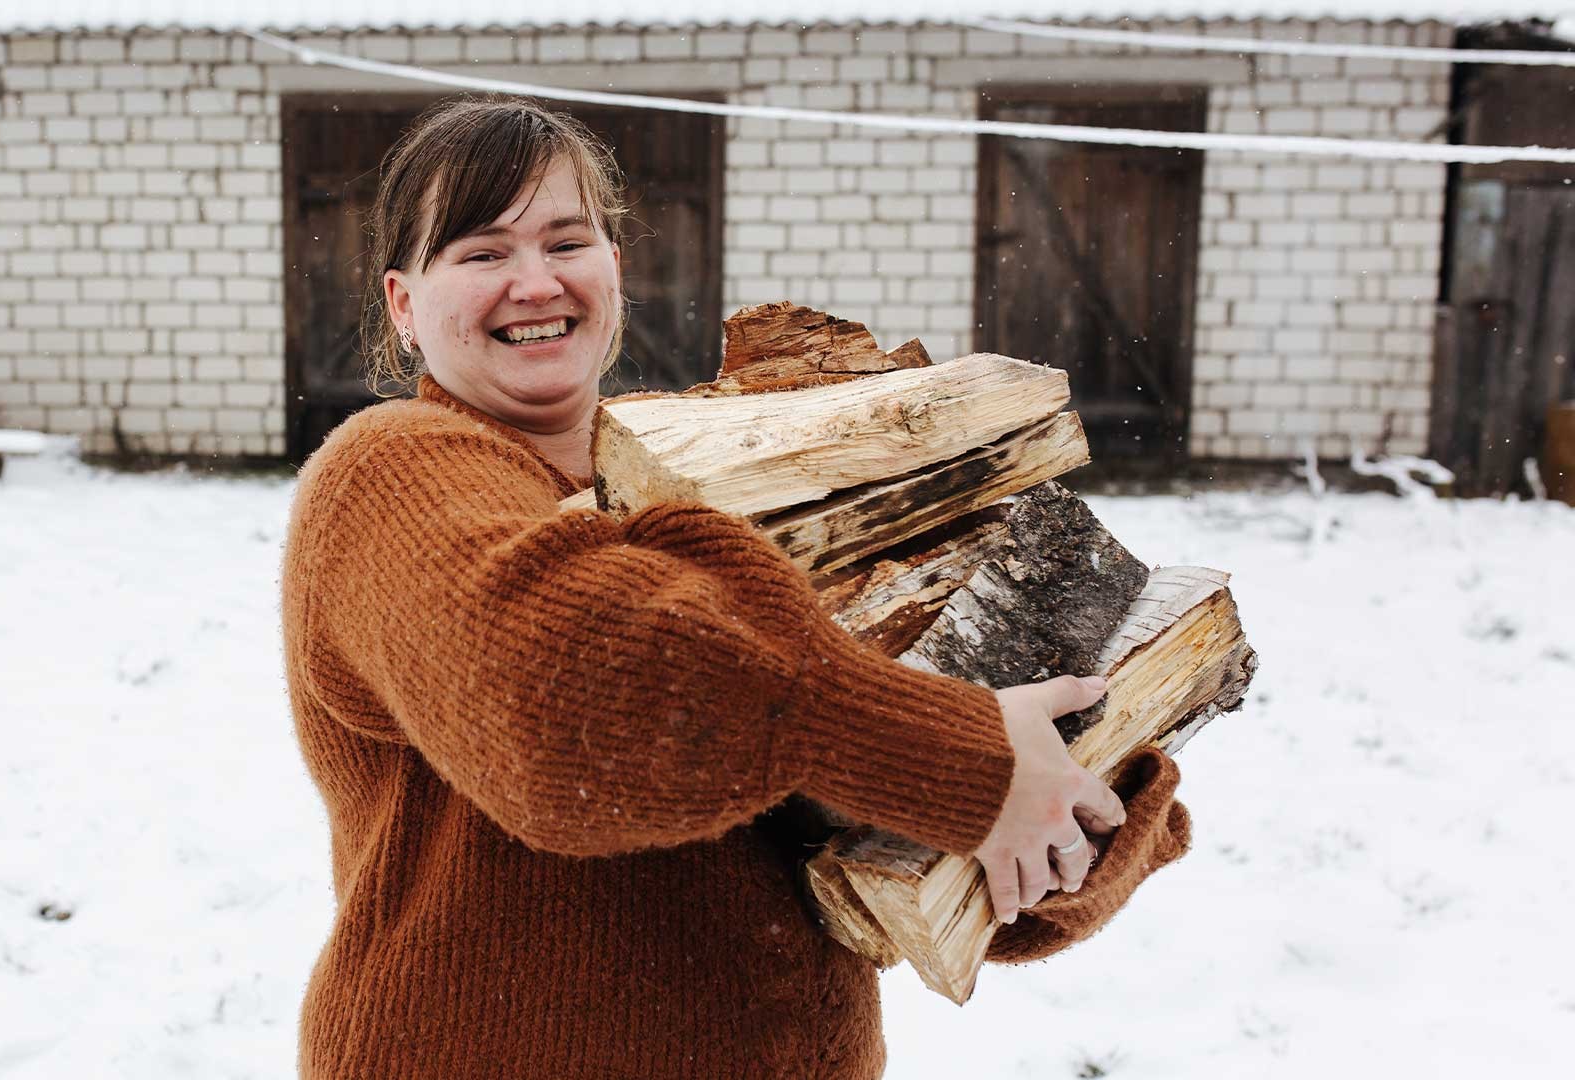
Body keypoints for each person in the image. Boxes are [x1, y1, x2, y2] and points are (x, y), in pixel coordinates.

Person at [280, 97, 1191, 1079]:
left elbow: (912, 813)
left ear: (614, 268)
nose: (534, 281)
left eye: (566, 239)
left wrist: (1068, 817)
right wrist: (962, 762)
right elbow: (560, 704)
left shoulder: (743, 474)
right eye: (481, 251)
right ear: (403, 304)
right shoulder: (389, 472)